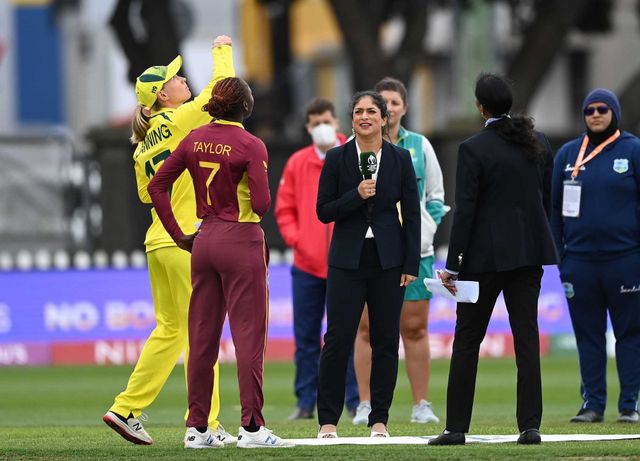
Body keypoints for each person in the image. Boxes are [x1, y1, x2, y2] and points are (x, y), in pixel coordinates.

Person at [102, 35, 236, 446]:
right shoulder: (177, 121)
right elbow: (222, 94)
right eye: (175, 79)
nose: (183, 80)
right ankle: (205, 424)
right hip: (186, 240)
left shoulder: (141, 144)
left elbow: (148, 195)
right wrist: (222, 50)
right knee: (203, 334)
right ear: (162, 95)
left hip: (158, 243)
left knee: (170, 331)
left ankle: (125, 408)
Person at [148, 76, 293, 449]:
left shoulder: (194, 139)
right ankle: (252, 428)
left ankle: (197, 429)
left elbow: (157, 186)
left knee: (201, 338)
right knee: (248, 337)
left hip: (204, 238)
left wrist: (179, 235)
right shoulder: (251, 144)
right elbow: (261, 205)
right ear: (245, 106)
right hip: (241, 238)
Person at [430, 73, 558, 446]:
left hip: (483, 260)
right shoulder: (537, 141)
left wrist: (453, 265)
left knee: (467, 342)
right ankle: (530, 426)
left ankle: (456, 428)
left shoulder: (473, 148)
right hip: (528, 255)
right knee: (527, 339)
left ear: (480, 107)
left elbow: (465, 212)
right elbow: (545, 199)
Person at [316, 91, 421, 439]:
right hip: (346, 260)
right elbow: (324, 211)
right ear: (351, 119)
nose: (365, 116)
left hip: (389, 261)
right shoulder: (336, 158)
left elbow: (412, 214)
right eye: (359, 111)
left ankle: (379, 420)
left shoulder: (401, 158)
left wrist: (410, 263)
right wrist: (355, 195)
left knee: (386, 340)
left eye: (372, 111)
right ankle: (328, 421)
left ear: (384, 118)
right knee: (337, 339)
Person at [352, 77, 447, 425]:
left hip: (414, 252)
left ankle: (421, 404)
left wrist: (425, 231)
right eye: (383, 103)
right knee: (366, 328)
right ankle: (365, 404)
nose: (388, 109)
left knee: (415, 328)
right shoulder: (352, 147)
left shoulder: (420, 146)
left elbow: (435, 197)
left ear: (404, 108)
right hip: (369, 249)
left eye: (394, 103)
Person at [551, 88, 640, 424]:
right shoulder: (568, 154)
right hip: (580, 263)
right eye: (590, 110)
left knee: (630, 334)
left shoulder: (633, 150)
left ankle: (629, 405)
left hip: (626, 260)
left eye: (603, 109)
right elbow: (554, 209)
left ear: (614, 113)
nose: (596, 114)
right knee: (588, 336)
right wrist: (561, 255)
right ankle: (592, 404)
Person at [275, 97, 359, 421]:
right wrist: (298, 241)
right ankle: (305, 402)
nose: (322, 127)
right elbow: (284, 209)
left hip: (345, 263)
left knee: (346, 335)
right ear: (308, 128)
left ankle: (354, 401)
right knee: (306, 339)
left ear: (336, 122)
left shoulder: (353, 155)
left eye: (326, 120)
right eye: (315, 123)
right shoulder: (297, 163)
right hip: (307, 266)